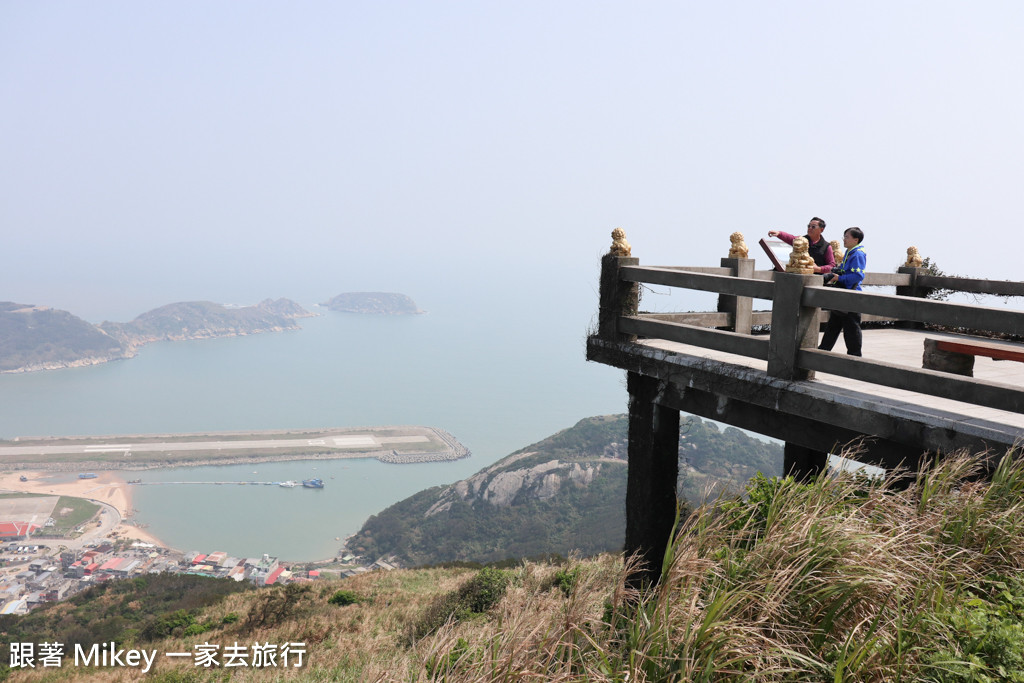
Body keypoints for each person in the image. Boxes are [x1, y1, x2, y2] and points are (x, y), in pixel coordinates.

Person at [819, 227, 867, 356]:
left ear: (855, 240)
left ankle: (855, 357)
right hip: (843, 293)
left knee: (851, 329)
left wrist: (839, 278)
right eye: (844, 237)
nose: (844, 240)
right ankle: (822, 352)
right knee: (833, 325)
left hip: (851, 296)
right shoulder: (849, 252)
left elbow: (858, 276)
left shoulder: (858, 254)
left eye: (847, 237)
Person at [768, 217, 835, 274]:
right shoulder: (802, 240)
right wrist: (779, 234)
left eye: (813, 227)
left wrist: (819, 269)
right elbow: (791, 238)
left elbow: (832, 266)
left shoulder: (826, 247)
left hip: (814, 278)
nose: (810, 228)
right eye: (809, 226)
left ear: (821, 229)